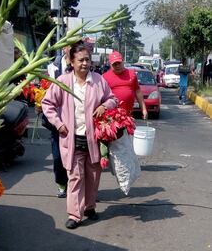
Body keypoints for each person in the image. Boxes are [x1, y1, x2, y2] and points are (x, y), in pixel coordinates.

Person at [42, 41, 117, 229]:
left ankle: (90, 207)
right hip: (72, 139)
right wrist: (59, 124)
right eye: (81, 60)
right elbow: (47, 104)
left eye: (88, 60)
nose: (85, 63)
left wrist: (104, 106)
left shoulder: (98, 80)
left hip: (94, 139)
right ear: (72, 62)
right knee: (75, 177)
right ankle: (75, 214)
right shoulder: (64, 82)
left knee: (93, 176)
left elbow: (113, 99)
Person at [43, 48, 72, 198]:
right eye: (70, 45)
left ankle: (79, 187)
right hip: (57, 121)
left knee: (77, 157)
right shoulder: (52, 67)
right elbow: (44, 91)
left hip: (75, 120)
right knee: (57, 157)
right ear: (64, 48)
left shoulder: (81, 67)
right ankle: (62, 184)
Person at [103, 51, 148, 119]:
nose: (117, 66)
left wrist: (144, 109)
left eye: (119, 63)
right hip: (111, 116)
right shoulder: (105, 77)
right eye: (115, 64)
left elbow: (138, 91)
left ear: (123, 62)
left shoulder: (132, 74)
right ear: (110, 65)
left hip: (127, 115)